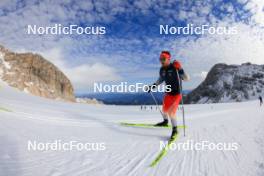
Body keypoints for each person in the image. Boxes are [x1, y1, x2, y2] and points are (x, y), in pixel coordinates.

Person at [148, 51, 190, 139]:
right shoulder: (162, 69)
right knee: (164, 110)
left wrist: (180, 68)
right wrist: (152, 87)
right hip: (168, 93)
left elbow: (186, 79)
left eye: (163, 59)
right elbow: (160, 79)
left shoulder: (175, 67)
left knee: (171, 112)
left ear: (168, 59)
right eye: (160, 59)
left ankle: (175, 130)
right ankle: (165, 121)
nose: (161, 61)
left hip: (176, 94)